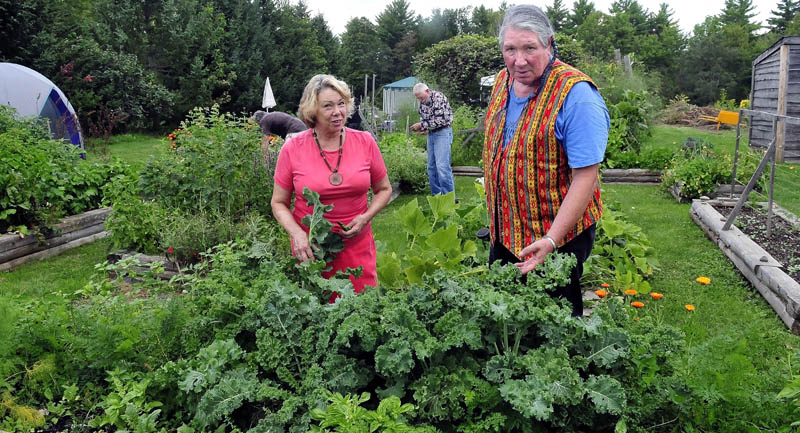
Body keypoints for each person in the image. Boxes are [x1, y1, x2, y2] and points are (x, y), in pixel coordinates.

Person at [483, 4, 609, 316]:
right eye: (510, 49)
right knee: (506, 322)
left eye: (529, 48)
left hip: (556, 236)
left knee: (554, 322)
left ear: (549, 43)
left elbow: (586, 177)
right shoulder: (503, 82)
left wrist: (552, 240)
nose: (519, 60)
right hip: (506, 230)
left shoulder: (577, 96)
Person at [271, 74, 392, 298]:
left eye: (341, 104)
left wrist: (365, 217)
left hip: (356, 242)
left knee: (361, 309)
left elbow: (384, 189)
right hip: (313, 248)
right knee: (317, 312)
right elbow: (278, 202)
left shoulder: (364, 141)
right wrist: (297, 234)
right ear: (312, 111)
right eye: (328, 106)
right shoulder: (293, 148)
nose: (338, 112)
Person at [410, 83, 455, 196]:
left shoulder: (438, 98)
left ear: (427, 91)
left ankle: (448, 197)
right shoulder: (423, 103)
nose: (420, 100)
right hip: (432, 134)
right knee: (431, 167)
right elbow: (425, 117)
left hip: (443, 133)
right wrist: (425, 129)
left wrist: (421, 125)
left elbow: (441, 120)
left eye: (421, 97)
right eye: (417, 98)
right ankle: (437, 196)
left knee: (442, 167)